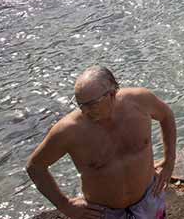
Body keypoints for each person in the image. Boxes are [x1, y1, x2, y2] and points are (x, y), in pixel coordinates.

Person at [25, 66, 176, 219]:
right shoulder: (68, 131)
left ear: (111, 94)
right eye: (80, 105)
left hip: (148, 199)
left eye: (91, 104)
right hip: (102, 213)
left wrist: (169, 162)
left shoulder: (140, 102)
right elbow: (35, 166)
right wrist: (65, 205)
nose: (85, 111)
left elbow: (166, 116)